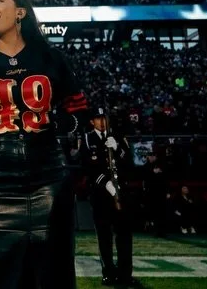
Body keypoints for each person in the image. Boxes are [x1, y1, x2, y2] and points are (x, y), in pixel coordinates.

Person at [0, 0, 89, 289]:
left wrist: (63, 124)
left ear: (20, 12)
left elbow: (79, 112)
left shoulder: (51, 57)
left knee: (50, 273)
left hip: (48, 175)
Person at [81, 109, 137, 286]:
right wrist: (107, 184)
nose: (102, 122)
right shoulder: (88, 139)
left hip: (121, 194)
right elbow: (88, 166)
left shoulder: (118, 137)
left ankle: (125, 274)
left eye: (104, 118)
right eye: (98, 119)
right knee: (104, 237)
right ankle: (108, 273)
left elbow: (129, 162)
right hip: (101, 196)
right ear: (92, 122)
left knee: (124, 236)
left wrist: (118, 149)